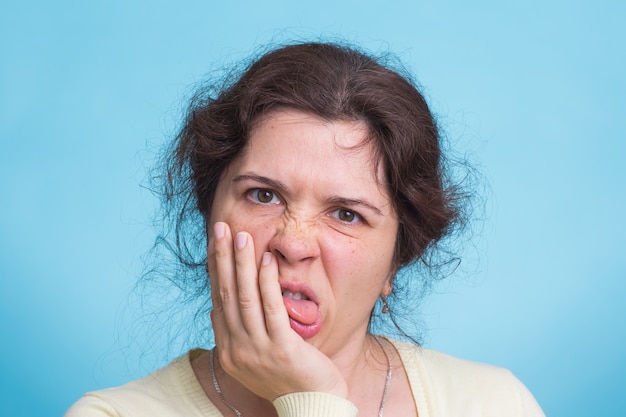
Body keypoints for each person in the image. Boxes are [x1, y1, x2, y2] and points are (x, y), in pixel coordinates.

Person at [66, 41, 545, 417]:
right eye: (263, 195)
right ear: (209, 214)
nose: (293, 243)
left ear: (396, 258)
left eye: (346, 214)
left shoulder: (498, 405)